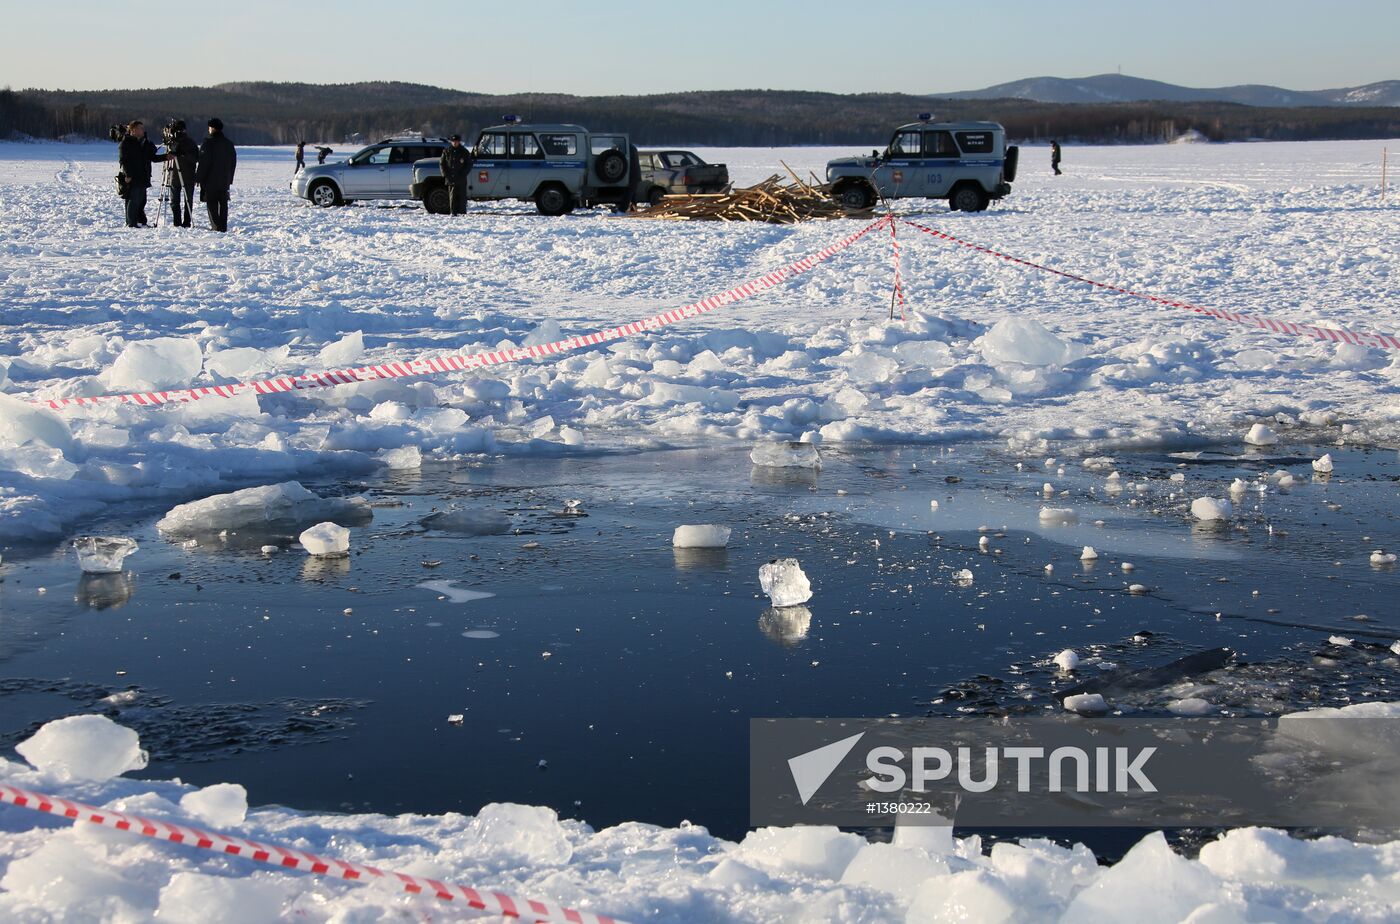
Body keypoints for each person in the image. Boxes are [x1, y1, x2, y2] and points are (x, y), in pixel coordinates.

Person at [117, 120, 169, 228]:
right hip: (133, 176)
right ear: (133, 130)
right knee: (133, 200)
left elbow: (152, 157)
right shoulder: (126, 143)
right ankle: (131, 223)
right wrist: (128, 175)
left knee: (141, 201)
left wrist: (166, 157)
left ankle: (140, 221)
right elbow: (123, 160)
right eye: (140, 128)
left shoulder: (145, 143)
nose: (143, 130)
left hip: (143, 175)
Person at [195, 117, 237, 232]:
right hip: (224, 180)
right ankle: (223, 227)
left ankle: (216, 227)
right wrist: (229, 178)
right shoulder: (228, 144)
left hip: (210, 181)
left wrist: (198, 178)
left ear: (212, 128)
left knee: (212, 204)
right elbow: (233, 163)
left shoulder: (208, 143)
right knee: (223, 204)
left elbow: (204, 163)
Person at [163, 120, 199, 228]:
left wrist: (183, 154)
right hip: (174, 175)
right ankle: (177, 222)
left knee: (187, 200)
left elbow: (195, 158)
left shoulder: (190, 143)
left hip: (187, 176)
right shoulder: (171, 143)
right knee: (174, 201)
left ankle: (187, 222)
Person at [439, 134, 472, 215]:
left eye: (456, 141)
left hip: (461, 178)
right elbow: (442, 164)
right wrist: (445, 174)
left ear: (459, 142)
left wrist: (463, 174)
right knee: (452, 197)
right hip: (451, 178)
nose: (455, 143)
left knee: (462, 197)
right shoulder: (447, 151)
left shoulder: (464, 151)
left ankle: (462, 213)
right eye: (453, 141)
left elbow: (469, 164)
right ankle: (453, 212)